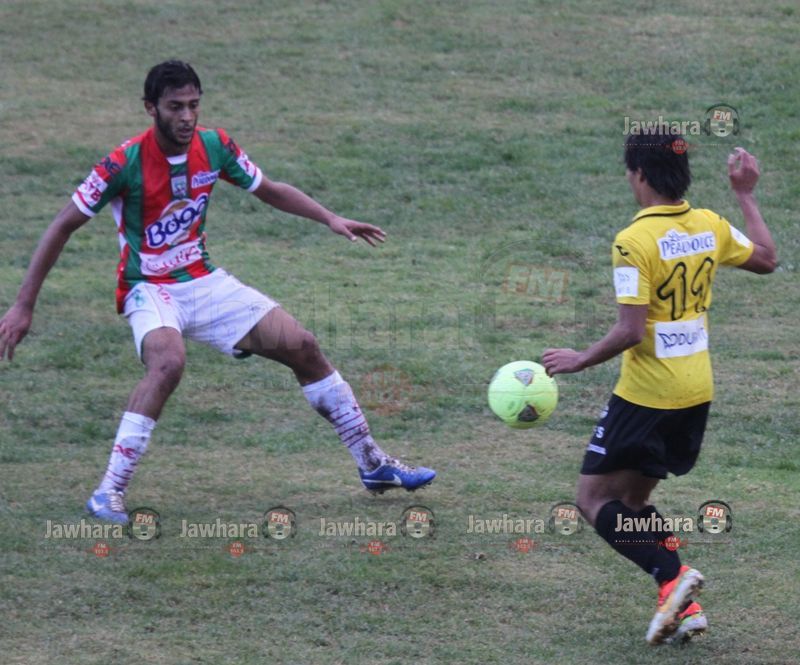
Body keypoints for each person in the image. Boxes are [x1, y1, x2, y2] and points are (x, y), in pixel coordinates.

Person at [0, 60, 435, 523]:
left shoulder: (215, 145)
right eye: (175, 107)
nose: (187, 117)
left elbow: (269, 189)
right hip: (149, 288)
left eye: (193, 105)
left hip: (203, 283)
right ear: (151, 108)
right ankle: (108, 491)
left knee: (303, 346)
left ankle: (373, 464)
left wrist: (329, 217)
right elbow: (62, 225)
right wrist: (24, 305)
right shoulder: (122, 163)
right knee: (168, 364)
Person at [542, 131, 776, 645]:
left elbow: (630, 330)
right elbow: (766, 257)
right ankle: (684, 607)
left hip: (647, 395)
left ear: (641, 175)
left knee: (593, 499)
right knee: (633, 501)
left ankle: (673, 578)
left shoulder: (634, 241)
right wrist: (745, 194)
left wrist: (580, 359)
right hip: (696, 392)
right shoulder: (708, 225)